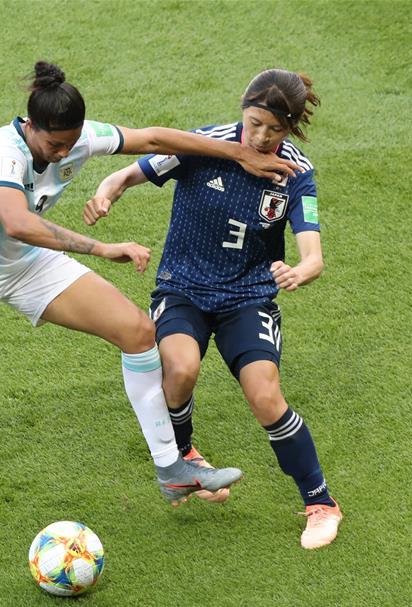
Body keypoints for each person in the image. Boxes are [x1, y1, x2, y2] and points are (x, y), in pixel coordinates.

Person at [0, 61, 301, 548]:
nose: (64, 152)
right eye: (54, 145)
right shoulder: (0, 155)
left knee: (136, 331)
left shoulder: (80, 136)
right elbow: (18, 223)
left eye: (71, 143)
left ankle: (171, 468)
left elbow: (153, 138)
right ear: (30, 127)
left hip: (24, 264)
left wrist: (238, 154)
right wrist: (104, 248)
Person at [84, 68, 342, 549]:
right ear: (241, 110)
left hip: (247, 297)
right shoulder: (204, 144)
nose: (261, 137)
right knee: (179, 369)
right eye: (254, 123)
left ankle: (320, 503)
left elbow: (314, 255)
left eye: (275, 130)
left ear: (291, 129)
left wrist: (299, 271)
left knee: (265, 396)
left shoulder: (296, 173)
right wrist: (106, 192)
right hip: (183, 287)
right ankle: (185, 460)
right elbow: (129, 174)